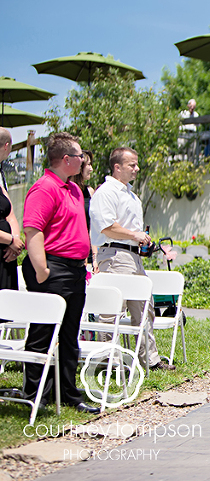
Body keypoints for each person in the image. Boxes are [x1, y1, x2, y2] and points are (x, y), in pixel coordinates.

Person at [21, 132, 99, 413]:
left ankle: (68, 393)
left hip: (76, 271)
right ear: (66, 159)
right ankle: (35, 394)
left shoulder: (75, 189)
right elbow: (33, 230)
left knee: (70, 334)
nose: (84, 160)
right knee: (43, 332)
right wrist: (42, 271)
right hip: (53, 269)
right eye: (80, 156)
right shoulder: (44, 188)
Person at [90, 147, 175, 371]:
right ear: (117, 167)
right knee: (113, 310)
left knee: (145, 307)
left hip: (133, 256)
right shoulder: (106, 192)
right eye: (132, 165)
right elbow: (106, 227)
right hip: (115, 254)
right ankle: (111, 362)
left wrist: (141, 241)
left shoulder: (130, 194)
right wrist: (134, 235)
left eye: (137, 164)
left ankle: (150, 360)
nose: (137, 169)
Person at [0, 128, 23, 290]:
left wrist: (15, 240)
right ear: (7, 146)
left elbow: (11, 214)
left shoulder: (1, 174)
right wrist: (12, 240)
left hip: (6, 256)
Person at [69, 150, 97, 267]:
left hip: (88, 252)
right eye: (88, 165)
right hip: (71, 251)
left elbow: (93, 226)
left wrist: (95, 256)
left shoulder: (89, 191)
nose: (91, 169)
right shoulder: (67, 190)